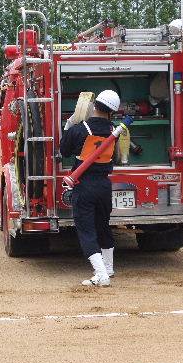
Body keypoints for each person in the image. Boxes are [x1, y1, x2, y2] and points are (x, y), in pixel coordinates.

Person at [59, 89, 121, 286]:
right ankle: (109, 269)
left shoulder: (79, 129)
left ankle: (101, 274)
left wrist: (68, 127)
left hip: (84, 185)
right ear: (112, 112)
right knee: (103, 226)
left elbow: (64, 150)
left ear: (94, 106)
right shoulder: (114, 131)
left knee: (86, 230)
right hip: (104, 185)